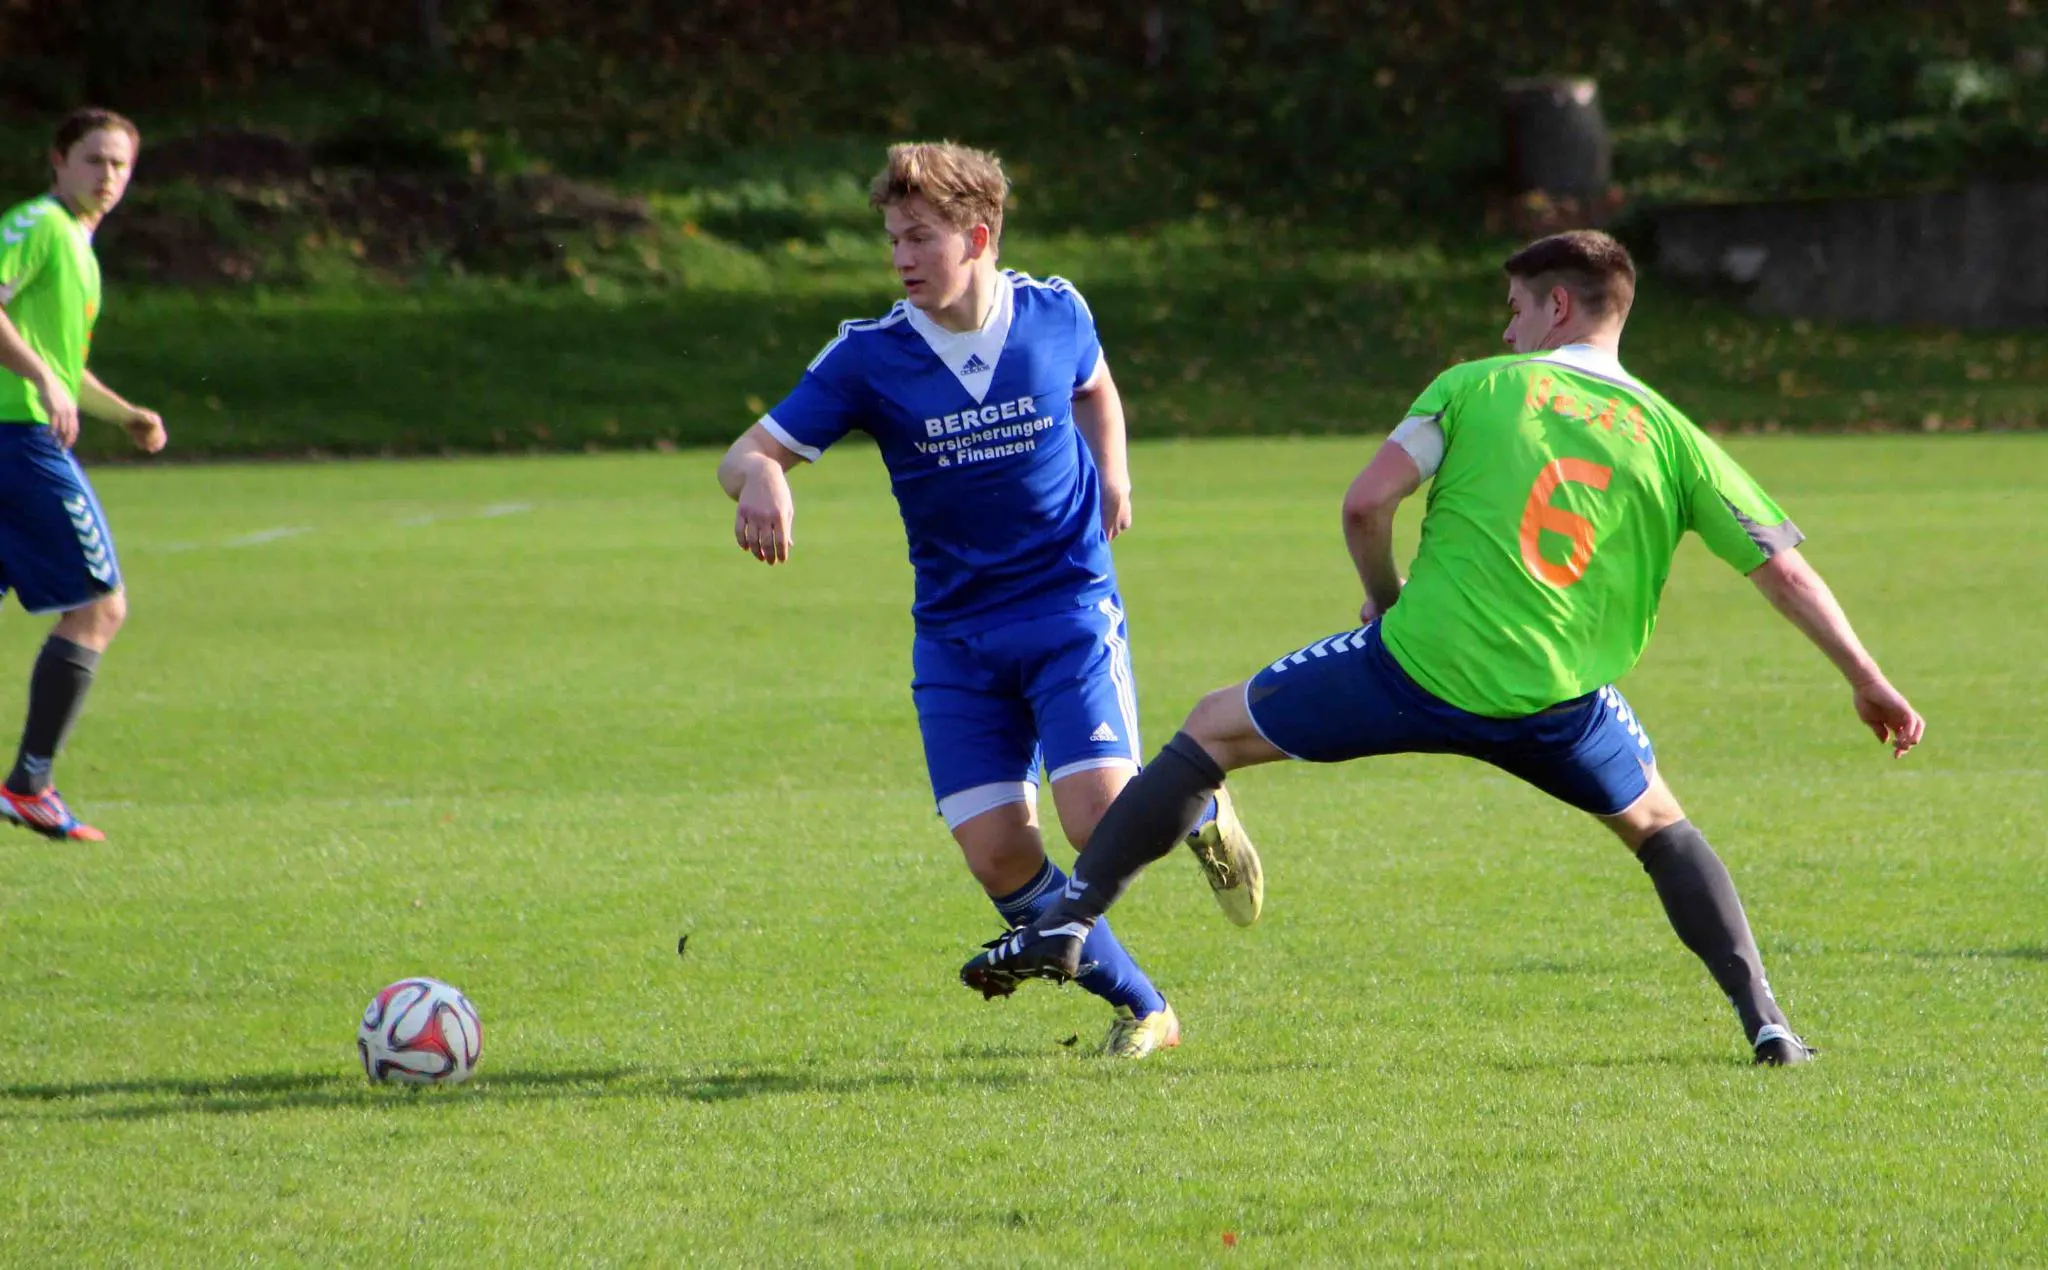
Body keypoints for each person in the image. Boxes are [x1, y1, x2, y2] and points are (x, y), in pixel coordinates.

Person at [960, 229, 1926, 1066]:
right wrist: (1869, 680)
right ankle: (1767, 1025)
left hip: (1413, 667)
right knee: (1661, 827)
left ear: (1557, 307)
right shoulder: (1675, 436)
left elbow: (1364, 504)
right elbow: (1784, 571)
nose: (1507, 331)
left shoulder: (1476, 386)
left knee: (1212, 731)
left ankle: (1070, 918)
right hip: (1559, 699)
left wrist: (1384, 608)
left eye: (1516, 309)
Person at [717, 141, 1262, 1059]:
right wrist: (765, 476)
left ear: (976, 238)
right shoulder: (869, 356)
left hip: (1067, 609)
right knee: (998, 855)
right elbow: (744, 454)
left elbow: (1095, 386)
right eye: (893, 239)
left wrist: (1115, 471)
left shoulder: (1054, 311)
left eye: (920, 238)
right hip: (957, 639)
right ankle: (1146, 1011)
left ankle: (1200, 810)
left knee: (1098, 819)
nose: (901, 257)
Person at [0, 107, 167, 842]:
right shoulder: (38, 224)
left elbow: (62, 366)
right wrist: (42, 378)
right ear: (58, 161)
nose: (107, 175)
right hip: (17, 440)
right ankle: (30, 784)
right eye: (94, 160)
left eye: (119, 164)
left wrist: (123, 413)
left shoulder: (77, 245)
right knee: (100, 606)